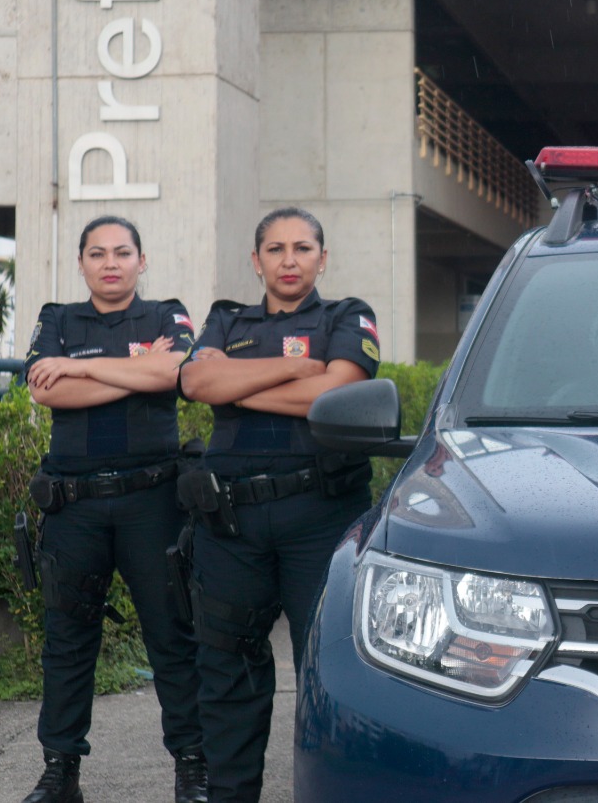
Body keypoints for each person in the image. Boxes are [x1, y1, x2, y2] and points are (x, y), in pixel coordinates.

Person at [177, 207, 380, 803]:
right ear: (256, 259)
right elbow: (195, 384)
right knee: (225, 673)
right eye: (275, 249)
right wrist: (295, 367)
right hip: (230, 522)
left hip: (319, 519)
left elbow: (337, 391)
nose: (288, 260)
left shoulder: (347, 315)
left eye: (302, 248)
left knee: (328, 672)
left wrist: (237, 380)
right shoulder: (224, 318)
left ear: (323, 256)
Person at [20, 215, 207, 803]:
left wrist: (78, 364)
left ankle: (193, 765)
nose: (110, 262)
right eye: (96, 253)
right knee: (67, 641)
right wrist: (135, 372)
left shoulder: (165, 315)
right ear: (81, 264)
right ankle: (60, 772)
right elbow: (45, 389)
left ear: (141, 261)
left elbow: (175, 370)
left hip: (151, 502)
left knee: (173, 635)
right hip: (74, 508)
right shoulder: (57, 318)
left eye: (122, 252)